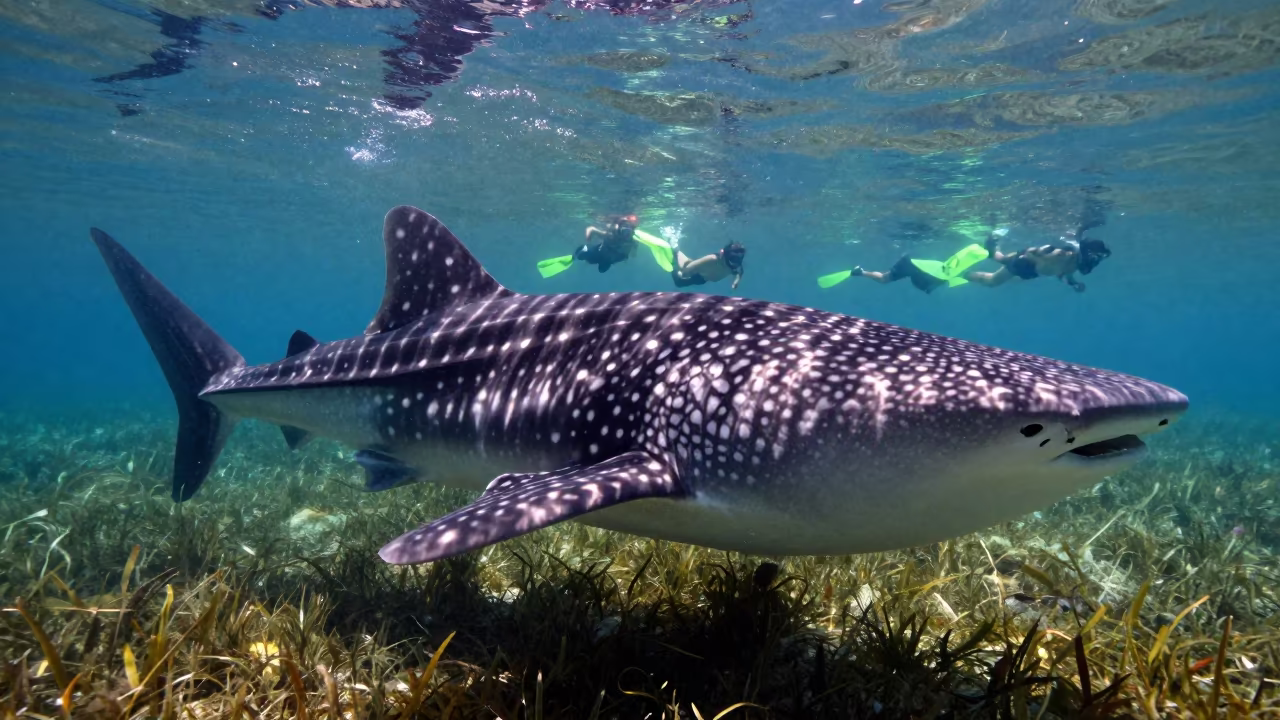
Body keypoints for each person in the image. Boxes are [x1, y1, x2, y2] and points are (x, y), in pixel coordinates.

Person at [965, 227, 1111, 293]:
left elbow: (1064, 275)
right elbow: (1031, 253)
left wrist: (1074, 284)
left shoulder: (1073, 264)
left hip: (1031, 271)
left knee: (1007, 271)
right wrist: (1034, 257)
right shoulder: (1060, 254)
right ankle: (964, 273)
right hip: (1023, 265)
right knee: (993, 281)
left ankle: (992, 246)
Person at [670, 240, 745, 290]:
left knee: (686, 269)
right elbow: (687, 269)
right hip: (695, 274)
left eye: (737, 260)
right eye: (732, 258)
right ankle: (675, 247)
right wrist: (681, 274)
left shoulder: (735, 266)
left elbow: (739, 272)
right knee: (680, 279)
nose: (733, 263)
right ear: (723, 254)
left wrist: (736, 282)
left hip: (701, 279)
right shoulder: (712, 259)